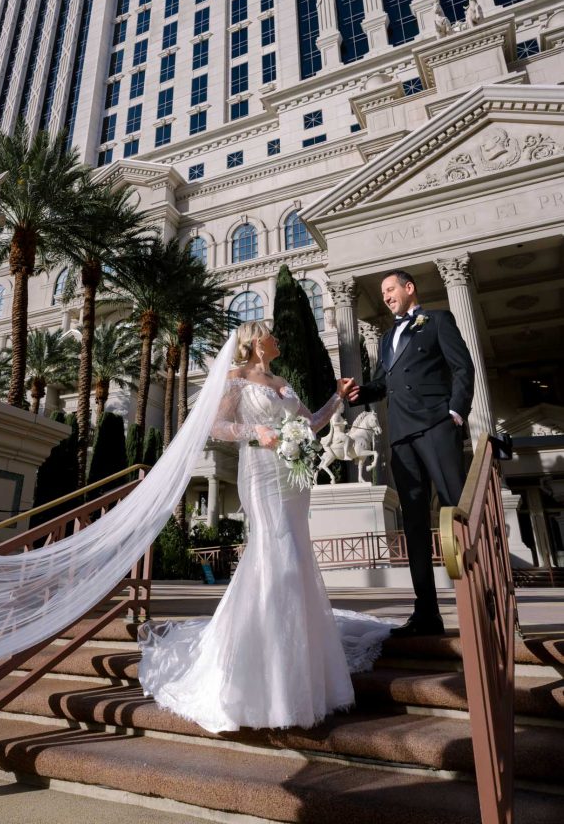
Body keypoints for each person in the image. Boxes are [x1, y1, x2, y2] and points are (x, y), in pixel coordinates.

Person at [138, 321, 392, 734]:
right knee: (277, 554)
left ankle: (301, 668)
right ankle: (269, 676)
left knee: (295, 554)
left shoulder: (282, 381)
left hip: (292, 480)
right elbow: (215, 427)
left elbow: (309, 424)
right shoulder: (236, 379)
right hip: (260, 472)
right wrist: (255, 432)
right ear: (255, 343)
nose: (277, 338)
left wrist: (338, 398)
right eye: (271, 334)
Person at [343, 269, 474, 637]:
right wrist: (361, 393)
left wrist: (456, 412)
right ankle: (426, 614)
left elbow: (462, 367)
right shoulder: (386, 339)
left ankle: (482, 600)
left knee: (456, 509)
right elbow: (387, 382)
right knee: (414, 524)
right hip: (401, 435)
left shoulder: (438, 320)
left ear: (409, 288)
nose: (385, 296)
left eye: (390, 289)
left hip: (436, 425)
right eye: (382, 292)